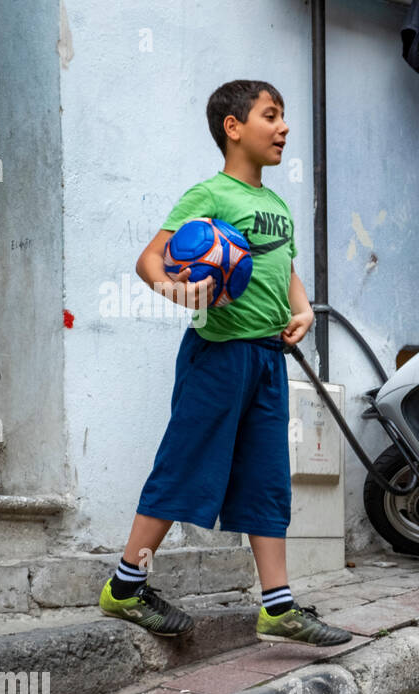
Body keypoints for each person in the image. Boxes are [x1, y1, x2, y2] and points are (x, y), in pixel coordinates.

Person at [97, 80, 351, 648]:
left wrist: (304, 309)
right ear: (233, 128)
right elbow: (149, 260)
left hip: (267, 358)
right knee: (186, 465)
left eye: (284, 117)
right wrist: (180, 293)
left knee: (266, 480)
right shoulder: (209, 195)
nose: (284, 127)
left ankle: (278, 607)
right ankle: (126, 584)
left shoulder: (276, 205)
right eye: (271, 116)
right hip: (217, 356)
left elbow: (283, 266)